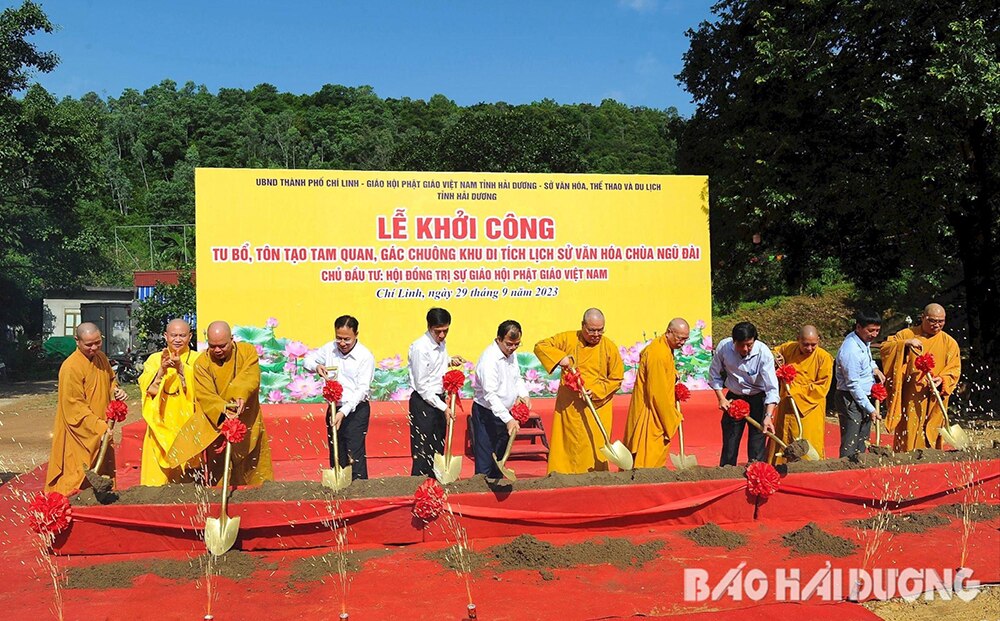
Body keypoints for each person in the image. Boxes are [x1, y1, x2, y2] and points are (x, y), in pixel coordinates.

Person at [165, 321, 273, 485]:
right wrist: (224, 412)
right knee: (221, 474)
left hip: (248, 420)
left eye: (222, 346)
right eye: (212, 346)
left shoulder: (247, 352)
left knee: (255, 473)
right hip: (218, 423)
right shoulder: (202, 363)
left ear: (232, 339)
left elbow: (249, 377)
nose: (217, 350)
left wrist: (240, 395)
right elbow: (206, 395)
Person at [534, 308, 624, 474]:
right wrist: (560, 357)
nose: (596, 334)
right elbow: (541, 346)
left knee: (593, 444)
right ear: (583, 326)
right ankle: (561, 477)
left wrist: (595, 391)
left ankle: (595, 477)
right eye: (591, 330)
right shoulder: (568, 338)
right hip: (570, 406)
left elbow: (616, 379)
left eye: (600, 330)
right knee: (567, 445)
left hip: (596, 406)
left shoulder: (609, 347)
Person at [45, 323, 128, 495]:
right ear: (77, 341)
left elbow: (110, 381)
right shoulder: (70, 367)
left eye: (97, 343)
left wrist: (117, 392)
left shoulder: (102, 358)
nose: (94, 347)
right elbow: (74, 406)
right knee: (76, 474)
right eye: (89, 344)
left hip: (101, 428)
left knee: (103, 471)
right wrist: (99, 427)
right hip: (80, 431)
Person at [880, 303, 962, 451]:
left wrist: (942, 380)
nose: (937, 325)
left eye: (941, 321)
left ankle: (931, 462)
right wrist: (904, 344)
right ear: (923, 317)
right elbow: (885, 348)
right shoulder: (906, 334)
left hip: (935, 397)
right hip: (911, 395)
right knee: (910, 430)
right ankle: (906, 463)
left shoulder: (949, 343)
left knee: (933, 429)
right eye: (932, 320)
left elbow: (954, 369)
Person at [304, 315, 375, 480]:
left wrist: (343, 412)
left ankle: (359, 490)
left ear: (356, 334)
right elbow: (308, 360)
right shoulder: (329, 349)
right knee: (336, 450)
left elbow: (362, 390)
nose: (342, 343)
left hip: (355, 410)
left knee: (354, 452)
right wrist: (317, 366)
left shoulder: (365, 356)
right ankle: (338, 489)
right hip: (334, 407)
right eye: (339, 338)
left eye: (347, 339)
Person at [138, 319, 200, 485]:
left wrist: (181, 369)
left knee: (187, 476)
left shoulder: (197, 359)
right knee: (156, 480)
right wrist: (161, 371)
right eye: (173, 335)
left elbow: (201, 389)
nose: (178, 339)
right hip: (160, 425)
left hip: (186, 424)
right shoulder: (154, 359)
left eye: (182, 335)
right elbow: (147, 389)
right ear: (165, 336)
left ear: (190, 336)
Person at [709, 322, 779, 465]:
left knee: (757, 443)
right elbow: (714, 374)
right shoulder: (724, 347)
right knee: (730, 441)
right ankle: (727, 473)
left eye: (749, 345)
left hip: (758, 399)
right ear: (733, 341)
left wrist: (768, 416)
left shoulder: (763, 353)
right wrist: (721, 398)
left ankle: (756, 474)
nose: (745, 349)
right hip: (733, 399)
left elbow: (771, 388)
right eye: (741, 345)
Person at [623, 318, 690, 469]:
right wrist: (672, 418)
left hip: (656, 410)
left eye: (685, 339)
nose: (682, 343)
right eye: (680, 338)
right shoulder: (658, 354)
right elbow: (657, 394)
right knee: (647, 462)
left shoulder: (664, 348)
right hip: (652, 413)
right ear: (669, 333)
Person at [407, 308, 465, 477]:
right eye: (438, 331)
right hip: (424, 403)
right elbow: (423, 386)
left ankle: (436, 483)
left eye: (445, 331)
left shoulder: (441, 344)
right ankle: (420, 484)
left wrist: (450, 361)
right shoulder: (420, 348)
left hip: (438, 401)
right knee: (423, 449)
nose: (441, 335)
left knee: (438, 446)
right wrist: (444, 408)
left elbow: (434, 366)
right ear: (429, 327)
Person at [472, 320, 530, 478]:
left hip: (506, 415)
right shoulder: (489, 360)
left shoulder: (512, 354)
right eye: (509, 344)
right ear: (498, 339)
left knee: (500, 460)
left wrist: (524, 394)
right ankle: (480, 495)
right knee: (485, 462)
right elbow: (490, 394)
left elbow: (516, 377)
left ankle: (496, 495)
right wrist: (508, 419)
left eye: (517, 344)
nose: (513, 348)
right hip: (487, 414)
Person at [769, 325, 833, 463]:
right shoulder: (789, 348)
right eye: (805, 345)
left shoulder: (824, 357)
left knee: (806, 444)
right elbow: (772, 352)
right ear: (798, 340)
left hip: (809, 409)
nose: (809, 348)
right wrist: (774, 357)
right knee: (781, 440)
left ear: (819, 340)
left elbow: (822, 387)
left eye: (813, 345)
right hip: (786, 405)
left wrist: (793, 390)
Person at [834, 310, 886, 457]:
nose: (874, 334)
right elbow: (853, 385)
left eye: (877, 330)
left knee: (863, 440)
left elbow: (868, 359)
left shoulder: (863, 341)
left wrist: (875, 369)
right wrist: (870, 409)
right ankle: (845, 472)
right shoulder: (850, 350)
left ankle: (860, 469)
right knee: (851, 441)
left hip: (863, 396)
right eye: (871, 330)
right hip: (849, 398)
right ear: (858, 327)